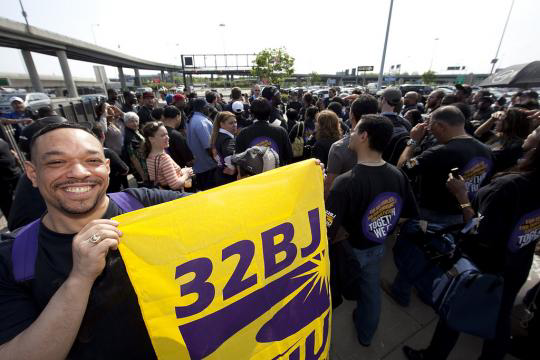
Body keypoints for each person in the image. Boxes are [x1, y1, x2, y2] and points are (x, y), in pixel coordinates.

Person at [0, 122, 187, 359]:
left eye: (92, 161)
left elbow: (232, 214)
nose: (79, 172)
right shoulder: (11, 259)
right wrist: (80, 277)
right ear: (33, 173)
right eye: (57, 162)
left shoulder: (152, 206)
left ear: (107, 167)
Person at [403, 145, 540, 360]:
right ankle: (433, 354)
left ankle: (432, 356)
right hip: (516, 264)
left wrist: (462, 196)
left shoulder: (509, 187)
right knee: (498, 320)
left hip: (483, 266)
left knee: (456, 309)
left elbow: (479, 232)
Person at [326, 114, 419, 347]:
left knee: (331, 294)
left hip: (349, 253)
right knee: (371, 292)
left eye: (355, 130)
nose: (350, 134)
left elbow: (328, 227)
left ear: (364, 136)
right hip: (377, 247)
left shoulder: (345, 182)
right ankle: (366, 336)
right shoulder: (397, 175)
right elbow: (406, 213)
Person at [386, 105, 493, 306]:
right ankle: (429, 292)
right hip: (459, 216)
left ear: (441, 126)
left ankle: (401, 292)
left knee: (415, 255)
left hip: (431, 215)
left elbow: (402, 169)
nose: (429, 130)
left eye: (431, 126)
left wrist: (413, 141)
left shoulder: (441, 152)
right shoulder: (486, 150)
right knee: (439, 257)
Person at [325, 94, 378, 198]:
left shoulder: (339, 148)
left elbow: (329, 188)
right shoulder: (383, 142)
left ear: (351, 115)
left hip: (344, 206)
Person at [236, 98, 293, 165]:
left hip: (253, 174)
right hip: (277, 173)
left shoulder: (243, 133)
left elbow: (238, 159)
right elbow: (289, 156)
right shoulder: (281, 131)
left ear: (252, 114)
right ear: (269, 113)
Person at [474, 108, 531, 173]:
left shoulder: (517, 145)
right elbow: (477, 133)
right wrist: (492, 119)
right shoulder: (499, 137)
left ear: (511, 123)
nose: (495, 122)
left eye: (499, 120)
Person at [143, 121, 193, 191]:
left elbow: (161, 177)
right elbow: (175, 185)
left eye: (167, 134)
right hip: (173, 195)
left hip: (162, 192)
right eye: (162, 135)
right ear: (151, 139)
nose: (167, 137)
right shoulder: (164, 158)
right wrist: (186, 174)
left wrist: (181, 171)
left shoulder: (149, 155)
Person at [186, 98, 216, 191]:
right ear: (203, 108)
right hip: (207, 165)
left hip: (198, 165)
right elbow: (208, 146)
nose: (208, 109)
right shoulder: (201, 121)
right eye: (207, 107)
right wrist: (216, 160)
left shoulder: (191, 119)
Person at [91, 125, 129, 193]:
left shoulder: (83, 155)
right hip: (114, 190)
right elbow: (124, 170)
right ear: (103, 135)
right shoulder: (108, 153)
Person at [210, 111, 238, 185]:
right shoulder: (227, 139)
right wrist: (233, 169)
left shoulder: (217, 135)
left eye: (235, 122)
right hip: (228, 178)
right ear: (222, 124)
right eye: (231, 123)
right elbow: (228, 157)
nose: (234, 125)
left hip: (221, 175)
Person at [122, 111, 148, 183]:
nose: (135, 123)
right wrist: (142, 174)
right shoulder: (129, 137)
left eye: (136, 121)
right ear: (126, 123)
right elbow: (133, 158)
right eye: (131, 121)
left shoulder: (136, 131)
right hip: (140, 169)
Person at [0, 137, 21, 218]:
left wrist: (13, 153)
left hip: (15, 173)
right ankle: (15, 227)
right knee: (7, 206)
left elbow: (8, 147)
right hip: (3, 181)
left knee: (24, 198)